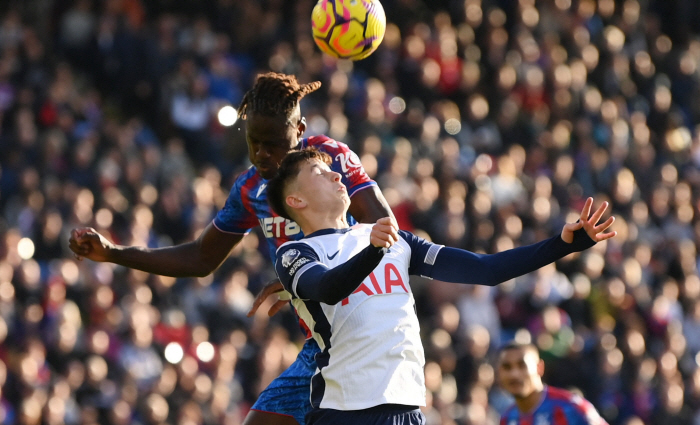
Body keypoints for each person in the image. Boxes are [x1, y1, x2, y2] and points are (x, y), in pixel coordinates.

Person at [68, 73, 394, 425]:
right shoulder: (251, 189)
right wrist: (113, 253)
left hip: (363, 333)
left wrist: (316, 277)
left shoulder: (331, 161)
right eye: (254, 143)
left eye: (274, 144)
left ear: (299, 131)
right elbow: (200, 258)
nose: (263, 155)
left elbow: (388, 234)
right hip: (322, 346)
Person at [265, 148, 616, 425]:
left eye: (331, 169)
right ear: (296, 201)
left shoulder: (395, 240)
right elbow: (327, 288)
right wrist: (373, 251)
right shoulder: (297, 252)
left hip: (407, 407)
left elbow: (485, 269)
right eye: (318, 173)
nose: (334, 174)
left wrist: (563, 245)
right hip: (343, 410)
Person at [497, 341, 609, 425]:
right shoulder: (507, 418)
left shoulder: (571, 408)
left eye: (522, 366)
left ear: (539, 368)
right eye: (507, 367)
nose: (514, 374)